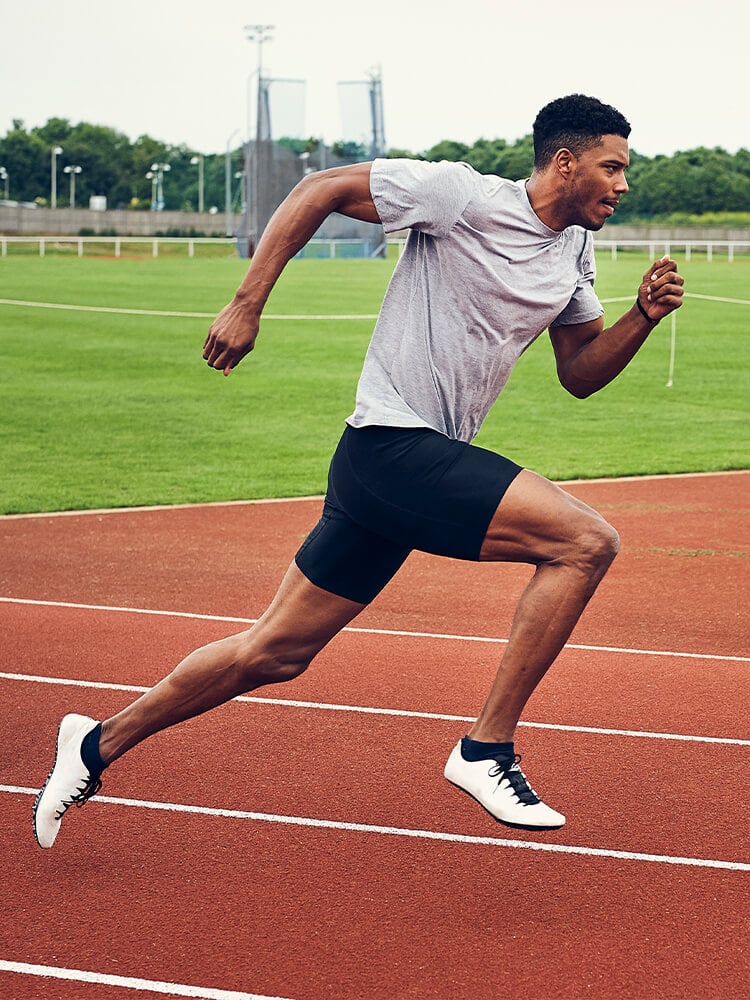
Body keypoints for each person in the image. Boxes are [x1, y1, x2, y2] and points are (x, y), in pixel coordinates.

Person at [33, 94, 684, 848]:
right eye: (612, 167)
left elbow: (579, 372)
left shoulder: (572, 250)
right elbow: (320, 188)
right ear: (565, 163)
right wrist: (247, 303)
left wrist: (642, 316)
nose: (623, 184)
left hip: (394, 473)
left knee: (274, 652)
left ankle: (95, 742)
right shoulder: (461, 196)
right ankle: (486, 749)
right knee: (584, 541)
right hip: (390, 445)